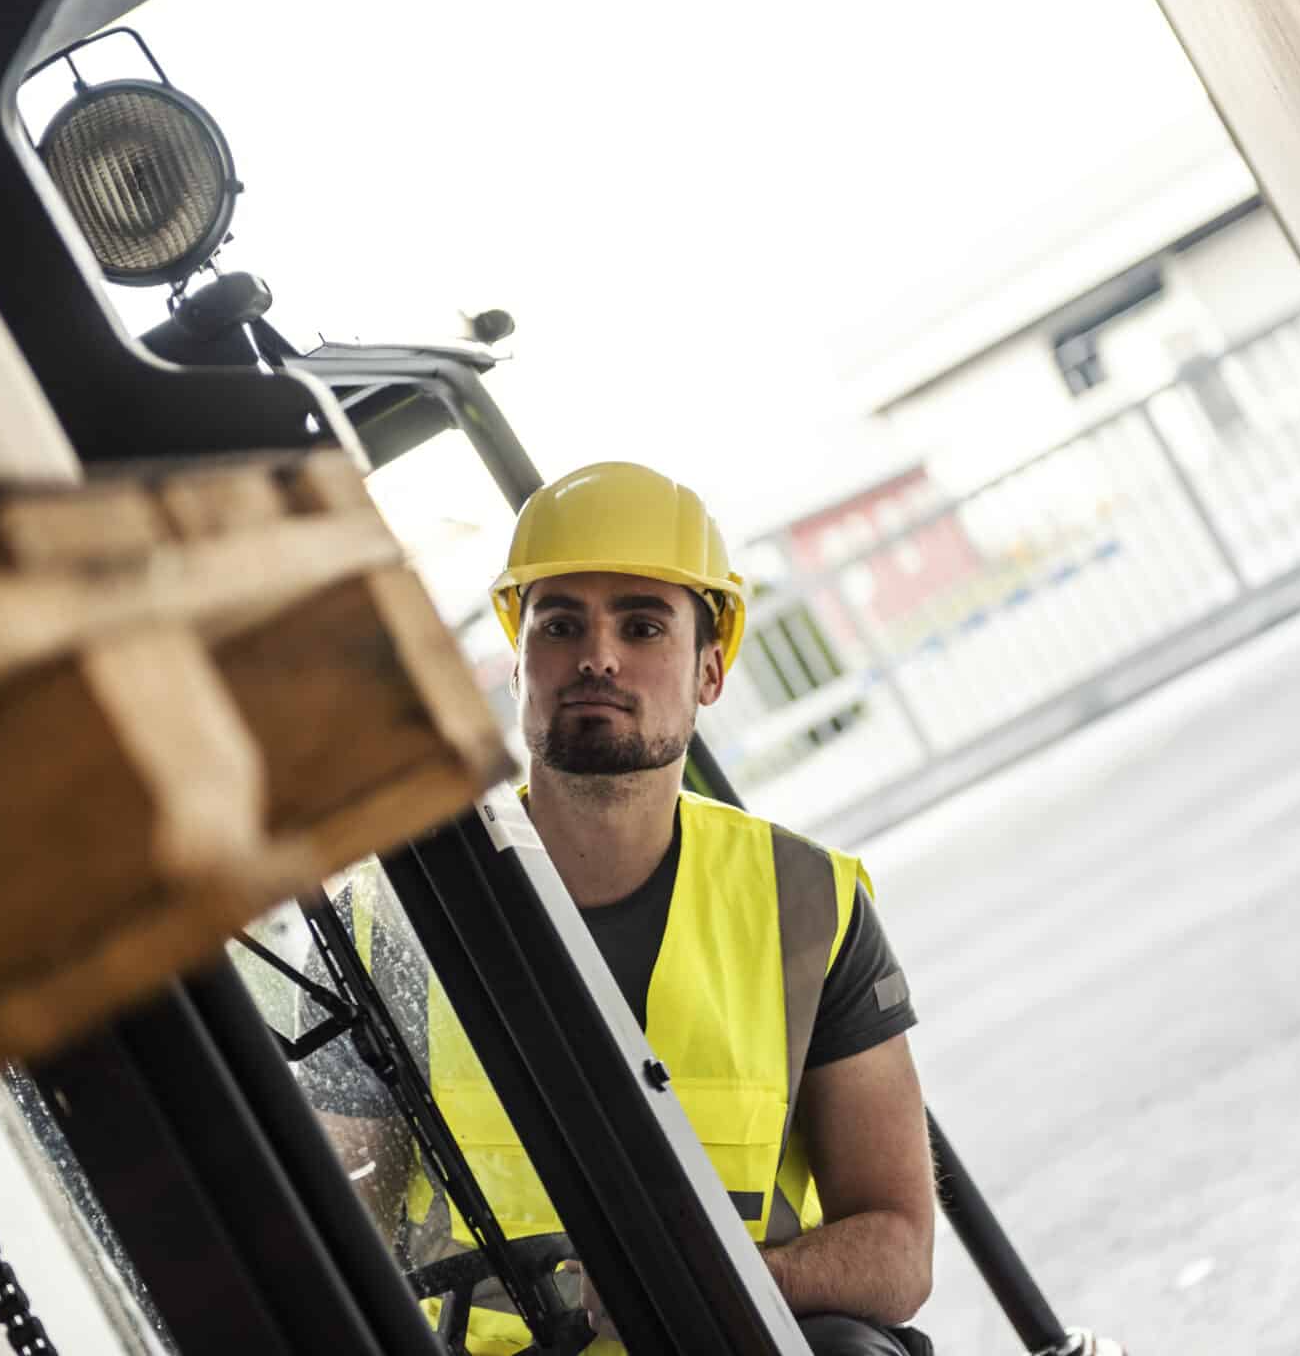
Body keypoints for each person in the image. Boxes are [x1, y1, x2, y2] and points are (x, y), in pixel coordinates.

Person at [304, 462, 936, 1356]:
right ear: (518, 662)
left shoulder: (808, 905)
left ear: (710, 670)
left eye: (642, 624)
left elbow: (900, 1248)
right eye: (560, 624)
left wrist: (724, 1279)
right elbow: (328, 1245)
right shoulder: (390, 920)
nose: (596, 655)